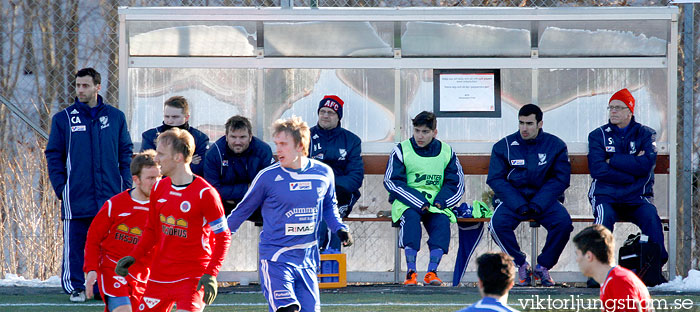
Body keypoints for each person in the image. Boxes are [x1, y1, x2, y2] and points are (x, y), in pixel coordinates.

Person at [227, 116, 353, 312]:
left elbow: (329, 206)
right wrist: (218, 236)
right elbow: (242, 210)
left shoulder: (323, 173)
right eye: (276, 143)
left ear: (300, 145)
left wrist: (339, 228)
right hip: (276, 258)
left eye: (284, 144)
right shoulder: (267, 177)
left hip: (308, 259)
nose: (278, 149)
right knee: (287, 310)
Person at [115, 128, 231, 312]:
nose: (156, 159)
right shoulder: (159, 188)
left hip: (192, 277)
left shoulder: (205, 193)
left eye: (161, 154)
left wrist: (211, 273)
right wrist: (134, 256)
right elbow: (151, 230)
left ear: (178, 157)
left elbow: (223, 237)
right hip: (160, 275)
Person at [45, 67, 134, 302]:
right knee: (76, 243)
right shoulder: (64, 119)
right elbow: (53, 155)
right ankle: (75, 286)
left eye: (85, 85)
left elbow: (125, 153)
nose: (80, 90)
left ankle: (108, 285)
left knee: (112, 243)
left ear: (98, 87)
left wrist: (125, 184)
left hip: (110, 195)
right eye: (77, 85)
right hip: (77, 195)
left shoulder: (116, 117)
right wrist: (61, 187)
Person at [487, 104, 573, 287]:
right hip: (514, 200)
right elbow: (496, 179)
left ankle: (543, 266)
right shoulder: (504, 146)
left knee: (564, 224)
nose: (524, 128)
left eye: (529, 123)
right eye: (521, 123)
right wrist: (518, 203)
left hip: (544, 201)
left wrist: (539, 203)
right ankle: (521, 264)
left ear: (540, 123)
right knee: (496, 225)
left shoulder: (555, 145)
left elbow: (560, 179)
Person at [587, 88, 668, 265]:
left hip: (636, 196)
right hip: (606, 195)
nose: (613, 111)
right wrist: (630, 173)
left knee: (650, 215)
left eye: (618, 107)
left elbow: (645, 165)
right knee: (603, 218)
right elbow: (598, 170)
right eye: (610, 108)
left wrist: (613, 159)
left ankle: (653, 267)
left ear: (630, 112)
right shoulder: (597, 135)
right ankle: (597, 271)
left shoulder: (646, 134)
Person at [383, 111, 464, 286]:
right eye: (417, 131)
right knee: (411, 220)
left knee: (442, 222)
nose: (420, 136)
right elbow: (392, 182)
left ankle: (431, 273)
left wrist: (441, 202)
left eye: (425, 132)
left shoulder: (447, 151)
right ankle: (411, 273)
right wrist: (419, 202)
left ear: (435, 132)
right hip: (407, 202)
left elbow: (455, 185)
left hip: (436, 204)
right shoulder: (401, 149)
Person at [83, 150, 160, 312]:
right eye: (151, 178)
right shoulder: (115, 205)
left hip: (143, 275)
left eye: (159, 177)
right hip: (113, 267)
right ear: (136, 179)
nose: (156, 182)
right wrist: (91, 269)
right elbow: (93, 238)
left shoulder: (163, 207)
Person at [309, 95, 364, 252]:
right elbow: (299, 170)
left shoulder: (351, 140)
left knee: (330, 215)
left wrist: (332, 187)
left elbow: (356, 176)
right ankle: (320, 264)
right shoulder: (306, 137)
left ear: (338, 117)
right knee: (317, 216)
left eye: (331, 113)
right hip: (312, 193)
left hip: (342, 194)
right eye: (322, 111)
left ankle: (329, 265)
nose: (325, 115)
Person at [203, 115, 273, 218]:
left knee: (275, 205)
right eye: (233, 137)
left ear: (250, 136)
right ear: (226, 136)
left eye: (242, 137)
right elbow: (212, 190)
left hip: (255, 203)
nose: (238, 142)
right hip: (223, 204)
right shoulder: (214, 153)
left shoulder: (263, 150)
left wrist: (232, 195)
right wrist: (247, 188)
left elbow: (265, 187)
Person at [573, 225, 652, 312]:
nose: (577, 260)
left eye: (578, 254)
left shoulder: (619, 281)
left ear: (589, 256)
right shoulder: (610, 280)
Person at [141, 96, 209, 176]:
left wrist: (165, 162)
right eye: (167, 116)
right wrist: (188, 162)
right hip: (159, 185)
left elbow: (199, 169)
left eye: (175, 117)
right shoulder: (150, 136)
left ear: (186, 117)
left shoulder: (200, 138)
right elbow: (148, 167)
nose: (170, 121)